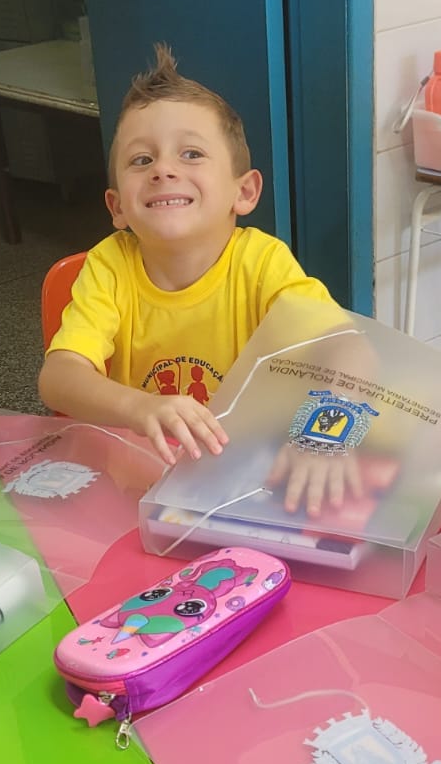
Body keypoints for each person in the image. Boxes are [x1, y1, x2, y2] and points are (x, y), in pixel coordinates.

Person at [38, 45, 354, 515]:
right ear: (117, 207)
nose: (164, 169)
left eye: (191, 154)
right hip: (144, 483)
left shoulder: (262, 263)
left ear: (244, 191)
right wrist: (140, 408)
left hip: (254, 480)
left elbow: (347, 349)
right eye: (141, 160)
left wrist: (321, 437)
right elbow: (60, 378)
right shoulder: (109, 266)